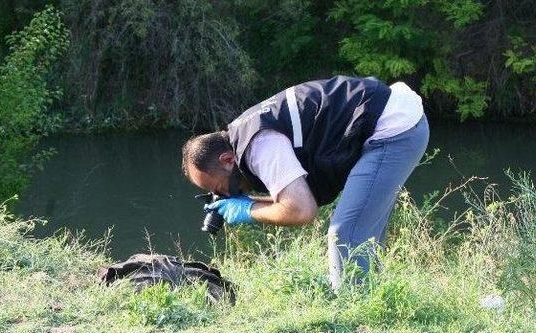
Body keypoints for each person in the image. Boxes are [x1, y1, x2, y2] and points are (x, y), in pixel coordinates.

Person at [181, 75, 428, 290]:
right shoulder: (243, 132)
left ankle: (353, 314)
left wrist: (248, 210)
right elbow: (294, 200)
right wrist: (252, 201)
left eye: (219, 188)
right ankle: (368, 300)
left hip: (394, 128)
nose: (225, 195)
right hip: (389, 117)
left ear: (227, 160)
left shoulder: (260, 145)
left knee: (345, 232)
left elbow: (301, 210)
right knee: (362, 233)